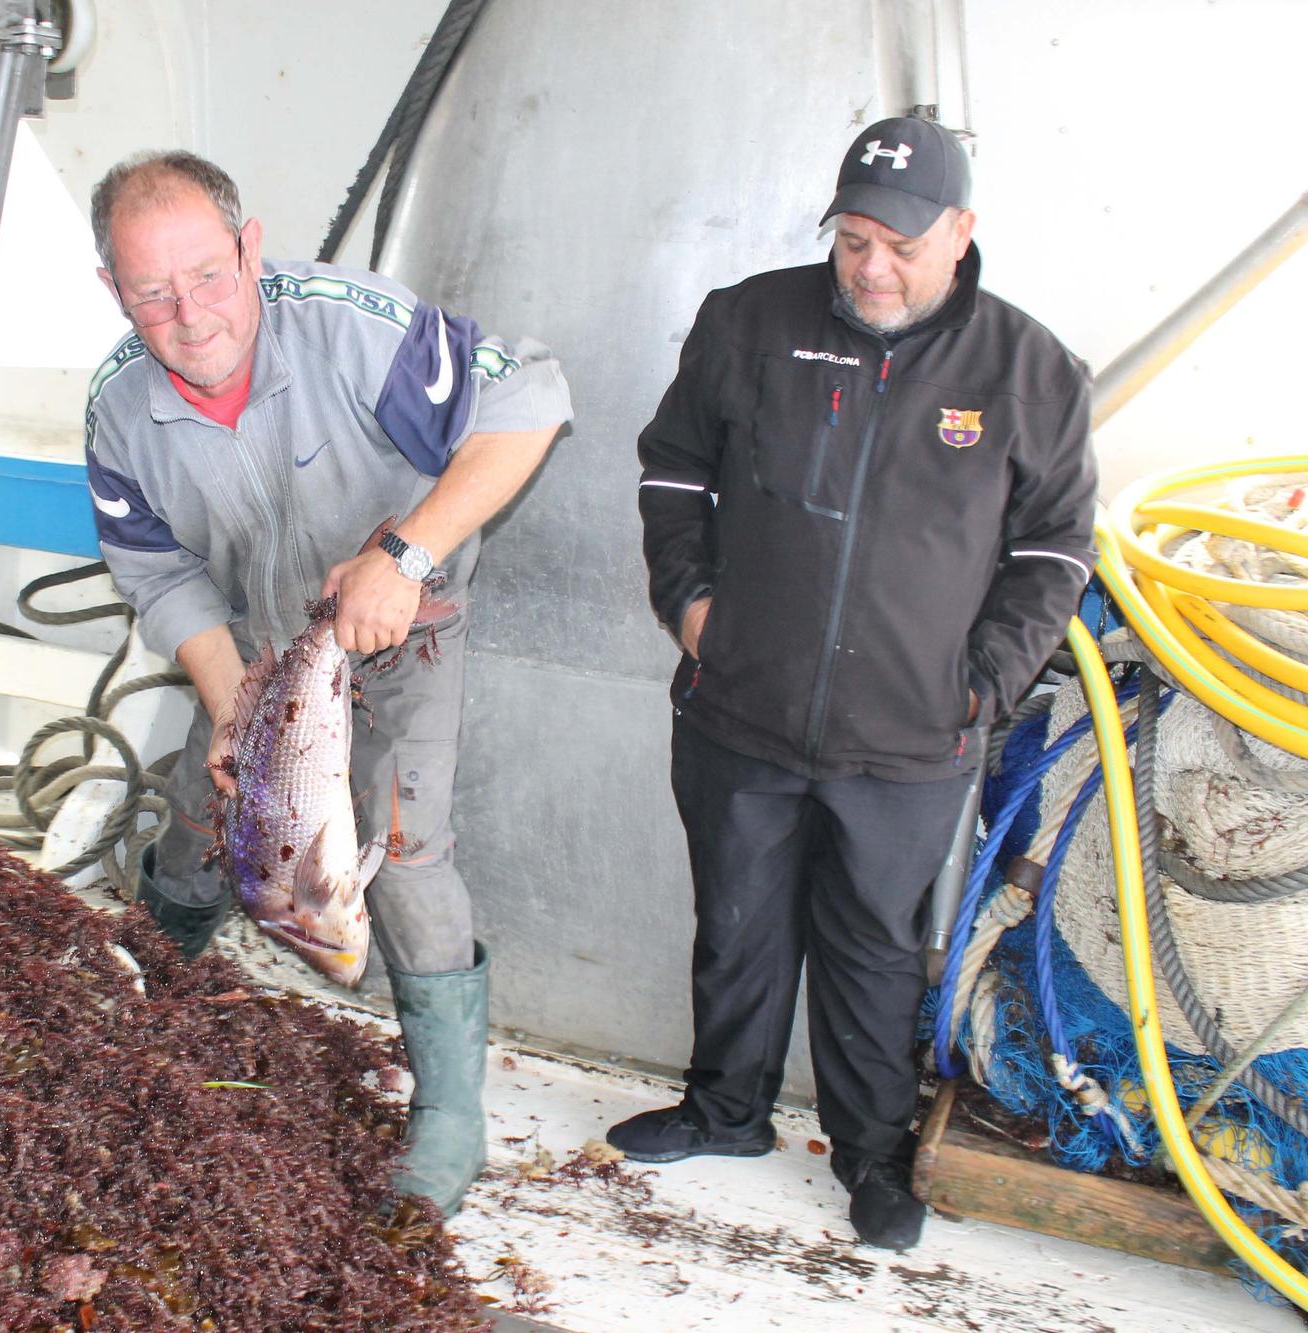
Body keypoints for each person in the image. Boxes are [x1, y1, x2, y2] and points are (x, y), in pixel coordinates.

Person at [619, 117, 1097, 1251]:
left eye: (898, 243)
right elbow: (669, 469)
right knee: (733, 918)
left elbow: (1052, 549)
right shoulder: (748, 320)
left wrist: (980, 681)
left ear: (960, 233)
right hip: (739, 702)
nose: (870, 267)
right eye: (851, 239)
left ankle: (872, 1155)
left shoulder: (1027, 368)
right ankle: (724, 1109)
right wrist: (689, 605)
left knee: (874, 945)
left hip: (909, 733)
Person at [83, 151, 571, 1217]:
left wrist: (405, 555)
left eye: (209, 274)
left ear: (249, 246)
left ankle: (446, 1108)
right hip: (263, 644)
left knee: (400, 850)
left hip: (405, 625)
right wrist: (230, 704)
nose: (190, 314)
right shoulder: (118, 409)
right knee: (201, 810)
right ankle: (141, 1007)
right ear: (114, 290)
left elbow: (531, 395)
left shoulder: (353, 326)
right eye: (151, 291)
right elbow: (157, 570)